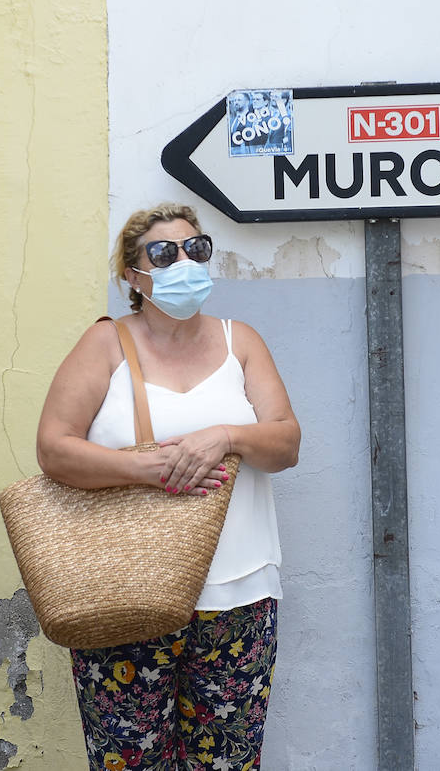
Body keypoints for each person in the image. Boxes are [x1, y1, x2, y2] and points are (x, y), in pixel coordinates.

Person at [35, 202, 300, 771]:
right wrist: (146, 468)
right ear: (133, 275)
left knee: (229, 763)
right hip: (126, 592)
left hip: (240, 595)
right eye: (163, 252)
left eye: (195, 248)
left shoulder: (241, 342)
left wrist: (225, 436)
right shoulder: (104, 345)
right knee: (130, 762)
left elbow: (286, 443)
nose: (184, 260)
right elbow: (53, 448)